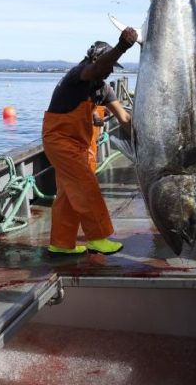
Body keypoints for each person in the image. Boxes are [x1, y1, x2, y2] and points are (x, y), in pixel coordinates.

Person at [42, 28, 137, 255]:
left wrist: (142, 141)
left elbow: (124, 118)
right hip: (60, 141)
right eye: (108, 65)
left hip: (80, 144)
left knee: (68, 194)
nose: (110, 71)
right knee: (85, 186)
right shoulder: (78, 74)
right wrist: (122, 47)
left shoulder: (103, 88)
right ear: (96, 59)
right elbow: (96, 69)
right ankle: (97, 237)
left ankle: (60, 244)